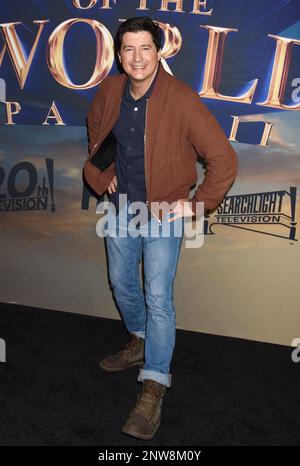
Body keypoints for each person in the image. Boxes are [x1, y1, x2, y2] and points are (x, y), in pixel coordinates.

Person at [83, 16, 238, 440]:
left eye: (145, 48)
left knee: (157, 296)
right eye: (128, 49)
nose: (137, 58)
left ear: (159, 51)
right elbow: (97, 128)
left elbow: (224, 160)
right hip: (119, 209)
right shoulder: (111, 90)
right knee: (120, 282)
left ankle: (154, 383)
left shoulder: (181, 99)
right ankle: (141, 340)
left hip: (163, 213)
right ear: (119, 55)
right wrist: (104, 170)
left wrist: (195, 206)